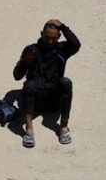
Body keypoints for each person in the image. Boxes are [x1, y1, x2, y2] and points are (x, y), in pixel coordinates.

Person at [13, 18, 81, 147]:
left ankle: (63, 128)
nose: (50, 41)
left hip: (54, 100)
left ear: (59, 37)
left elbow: (76, 45)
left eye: (54, 39)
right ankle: (29, 130)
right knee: (29, 84)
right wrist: (25, 63)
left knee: (66, 82)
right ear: (41, 34)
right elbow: (17, 76)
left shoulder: (62, 49)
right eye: (47, 37)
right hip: (34, 102)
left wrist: (62, 26)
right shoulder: (30, 50)